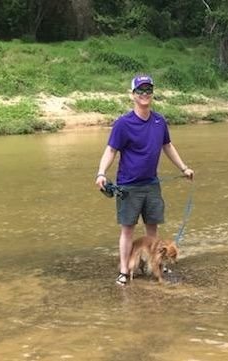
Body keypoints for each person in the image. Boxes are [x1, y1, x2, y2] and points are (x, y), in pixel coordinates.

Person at [95, 75, 194, 286]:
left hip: (152, 185)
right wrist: (101, 173)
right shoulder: (123, 124)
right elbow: (111, 150)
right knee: (127, 230)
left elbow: (168, 146)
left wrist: (184, 168)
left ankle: (154, 265)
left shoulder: (159, 121)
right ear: (133, 95)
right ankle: (124, 270)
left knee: (153, 230)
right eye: (140, 90)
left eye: (148, 90)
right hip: (128, 187)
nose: (145, 94)